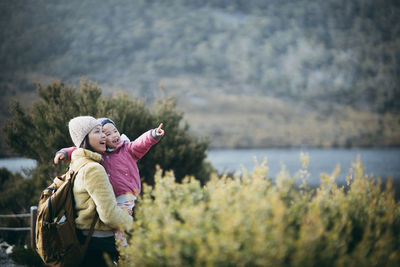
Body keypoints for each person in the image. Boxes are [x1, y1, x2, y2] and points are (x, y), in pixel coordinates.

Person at [55, 117, 164, 246]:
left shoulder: (127, 148)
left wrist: (153, 135)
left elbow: (140, 143)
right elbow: (78, 148)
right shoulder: (99, 156)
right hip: (112, 201)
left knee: (121, 226)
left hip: (127, 198)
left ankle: (125, 249)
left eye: (115, 131)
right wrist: (64, 153)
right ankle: (124, 251)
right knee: (119, 228)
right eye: (106, 134)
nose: (114, 135)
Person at [67, 116, 134, 266]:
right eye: (97, 132)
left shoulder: (77, 163)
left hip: (85, 238)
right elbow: (109, 215)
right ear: (85, 138)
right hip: (100, 242)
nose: (104, 135)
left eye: (103, 132)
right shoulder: (94, 169)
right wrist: (134, 225)